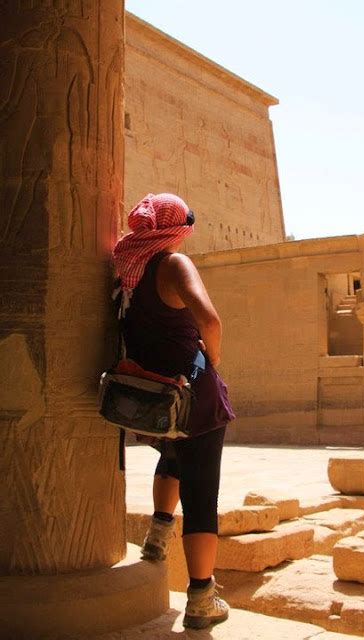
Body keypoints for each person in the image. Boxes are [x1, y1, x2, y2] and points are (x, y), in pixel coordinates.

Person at [112, 193, 235, 630]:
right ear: (175, 229)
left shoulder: (128, 268)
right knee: (202, 497)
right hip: (192, 395)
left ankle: (157, 538)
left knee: (171, 457)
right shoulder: (172, 264)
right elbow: (211, 321)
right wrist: (213, 361)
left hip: (155, 397)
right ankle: (202, 598)